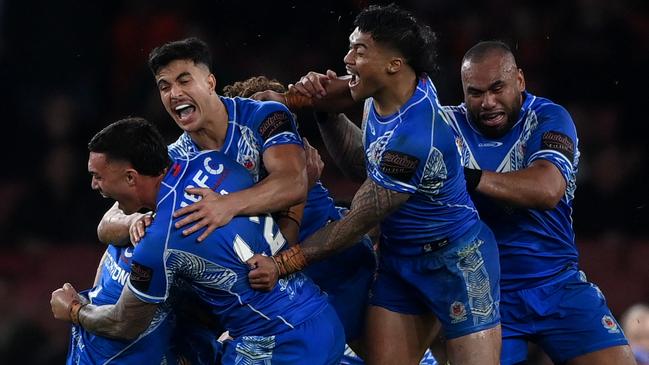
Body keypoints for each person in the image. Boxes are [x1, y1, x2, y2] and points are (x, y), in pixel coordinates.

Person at [247, 4, 501, 365]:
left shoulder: (415, 136)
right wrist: (302, 103)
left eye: (360, 50)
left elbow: (356, 223)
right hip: (399, 261)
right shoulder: (385, 89)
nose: (348, 58)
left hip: (456, 264)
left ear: (394, 63)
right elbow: (358, 162)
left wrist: (283, 264)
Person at [50, 118, 344, 364]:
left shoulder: (161, 240)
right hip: (323, 319)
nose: (93, 185)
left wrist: (74, 311)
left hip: (278, 345)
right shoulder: (214, 161)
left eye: (98, 177)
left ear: (130, 178)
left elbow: (123, 323)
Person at [442, 40, 634, 365]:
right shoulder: (446, 126)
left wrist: (467, 176)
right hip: (484, 295)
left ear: (519, 80)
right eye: (475, 92)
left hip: (557, 284)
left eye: (497, 88)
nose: (487, 102)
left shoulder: (549, 117)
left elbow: (546, 190)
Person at [97, 37, 308, 247]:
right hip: (260, 264)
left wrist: (227, 205)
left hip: (315, 241)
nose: (175, 94)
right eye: (165, 87)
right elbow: (107, 224)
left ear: (210, 83)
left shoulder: (262, 116)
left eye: (184, 81)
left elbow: (293, 182)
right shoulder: (174, 157)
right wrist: (131, 221)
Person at [223, 75, 376, 352]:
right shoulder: (243, 178)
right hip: (306, 284)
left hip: (342, 269)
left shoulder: (289, 156)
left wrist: (307, 91)